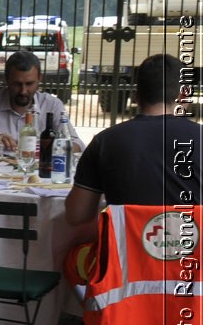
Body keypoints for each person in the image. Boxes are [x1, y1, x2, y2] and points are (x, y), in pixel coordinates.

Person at [66, 53, 202, 225]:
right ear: (183, 96)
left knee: (61, 237)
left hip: (126, 247)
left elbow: (76, 215)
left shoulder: (104, 142)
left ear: (136, 95)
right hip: (193, 247)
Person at [0, 49, 84, 152]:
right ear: (6, 79)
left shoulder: (52, 105)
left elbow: (77, 144)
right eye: (17, 84)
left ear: (40, 79)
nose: (23, 91)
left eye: (29, 84)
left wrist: (48, 147)